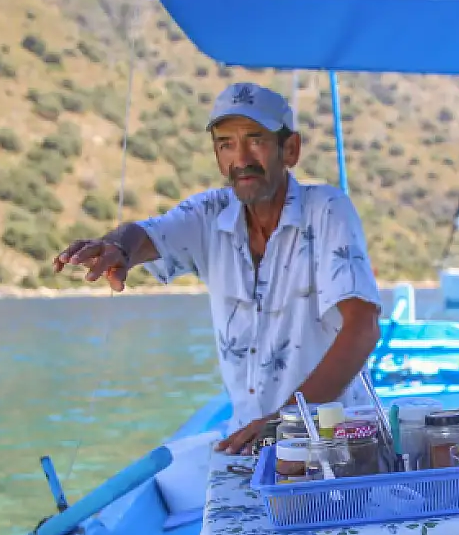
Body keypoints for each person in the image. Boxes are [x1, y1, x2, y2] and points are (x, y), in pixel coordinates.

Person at [54, 82, 381, 453]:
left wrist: (286, 422)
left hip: (338, 443)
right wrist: (118, 247)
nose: (240, 158)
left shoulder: (327, 209)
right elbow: (147, 233)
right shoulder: (210, 214)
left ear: (290, 149)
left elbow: (363, 328)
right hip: (250, 442)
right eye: (225, 144)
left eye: (255, 140)